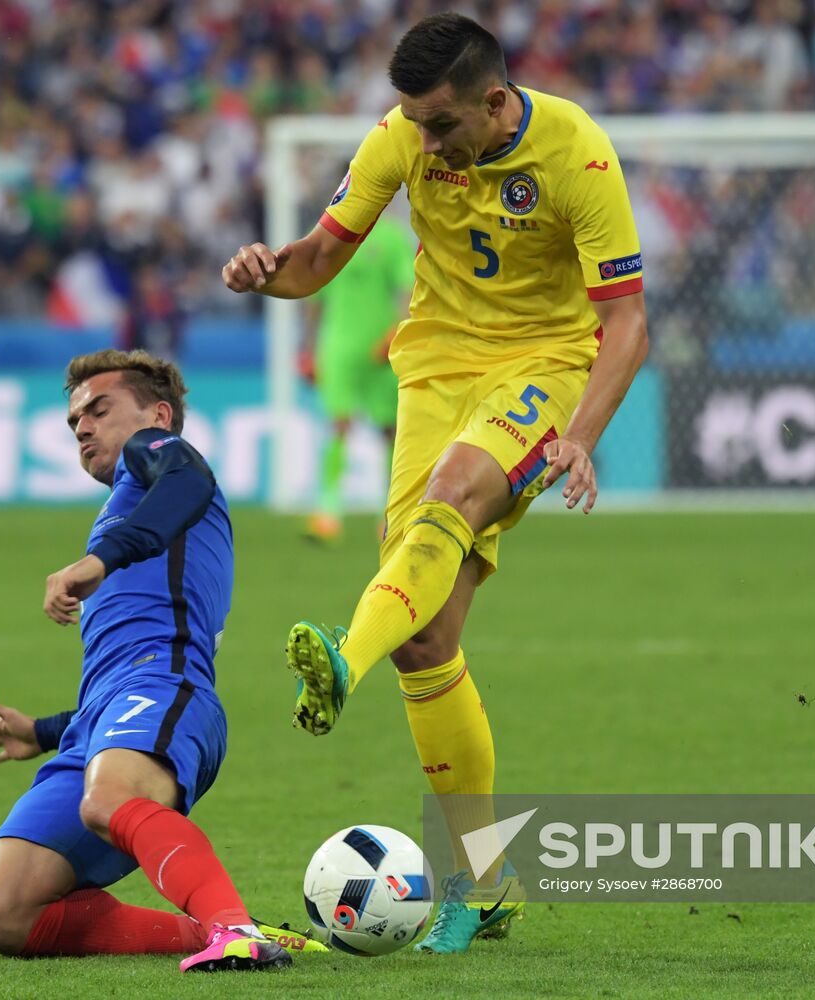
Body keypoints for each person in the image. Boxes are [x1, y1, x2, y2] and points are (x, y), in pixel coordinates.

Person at [221, 13, 649, 954]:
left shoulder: (575, 151)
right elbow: (319, 258)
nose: (422, 140)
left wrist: (580, 436)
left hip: (544, 366)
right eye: (411, 121)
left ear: (495, 102)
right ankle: (484, 886)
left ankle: (342, 657)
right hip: (431, 374)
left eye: (439, 124)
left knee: (452, 496)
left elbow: (624, 323)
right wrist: (267, 272)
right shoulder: (399, 136)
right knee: (430, 642)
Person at [0, 349, 316, 973]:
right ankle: (215, 926)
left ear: (158, 413)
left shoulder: (163, 458)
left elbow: (188, 481)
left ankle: (233, 933)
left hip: (166, 685)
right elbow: (116, 672)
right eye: (74, 422)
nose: (83, 428)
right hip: (99, 718)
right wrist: (44, 731)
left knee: (109, 798)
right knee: (2, 912)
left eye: (99, 409)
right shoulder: (129, 505)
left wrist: (97, 561)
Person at [302, 208, 415, 543]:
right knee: (339, 424)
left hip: (381, 348)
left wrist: (398, 330)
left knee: (391, 430)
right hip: (337, 347)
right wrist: (307, 348)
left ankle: (390, 512)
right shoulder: (327, 233)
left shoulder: (391, 236)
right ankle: (328, 511)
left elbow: (408, 288)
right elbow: (313, 293)